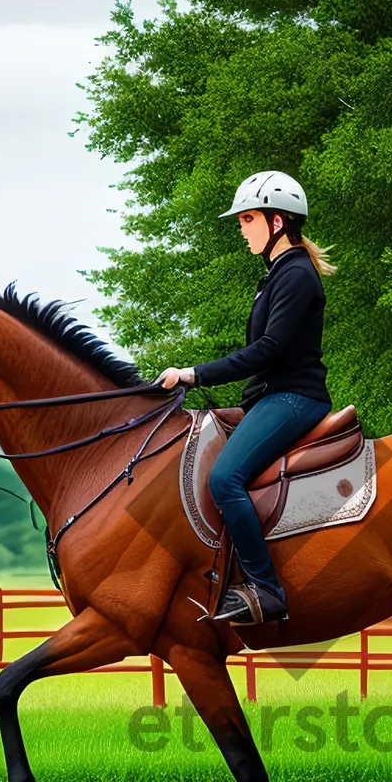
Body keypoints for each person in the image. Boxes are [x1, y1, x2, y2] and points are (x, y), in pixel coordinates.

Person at [158, 171, 335, 624]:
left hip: (293, 398)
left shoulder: (295, 274)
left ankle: (266, 590)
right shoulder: (279, 273)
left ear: (277, 222)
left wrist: (193, 375)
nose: (242, 228)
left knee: (224, 479)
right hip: (271, 397)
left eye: (248, 219)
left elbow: (269, 350)